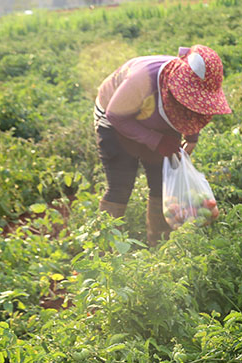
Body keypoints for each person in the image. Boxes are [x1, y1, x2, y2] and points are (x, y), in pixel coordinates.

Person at [94, 45, 231, 245]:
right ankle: (106, 249)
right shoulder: (143, 79)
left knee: (161, 180)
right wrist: (155, 141)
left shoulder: (191, 94)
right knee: (120, 184)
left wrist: (191, 138)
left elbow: (195, 110)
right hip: (115, 119)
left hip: (158, 119)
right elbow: (115, 115)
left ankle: (158, 243)